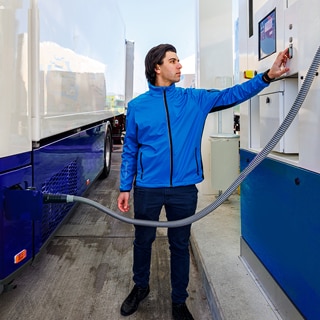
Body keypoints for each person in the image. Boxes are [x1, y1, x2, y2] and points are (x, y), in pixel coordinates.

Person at [117, 44, 289, 320]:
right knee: (142, 240)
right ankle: (140, 287)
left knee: (180, 244)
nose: (180, 66)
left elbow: (232, 94)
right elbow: (130, 150)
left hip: (183, 189)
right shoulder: (137, 107)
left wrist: (266, 76)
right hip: (147, 187)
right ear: (157, 68)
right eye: (173, 61)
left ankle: (178, 301)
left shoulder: (193, 99)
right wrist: (125, 186)